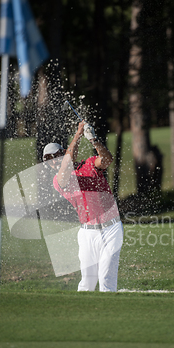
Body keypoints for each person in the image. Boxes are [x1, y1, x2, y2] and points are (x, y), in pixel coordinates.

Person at [42, 121, 123, 292]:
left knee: (106, 279)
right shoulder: (58, 181)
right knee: (87, 282)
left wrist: (94, 140)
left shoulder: (90, 163)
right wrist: (78, 133)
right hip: (87, 233)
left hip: (112, 228)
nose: (52, 161)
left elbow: (107, 160)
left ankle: (108, 316)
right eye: (48, 160)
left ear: (63, 152)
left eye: (54, 156)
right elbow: (66, 164)